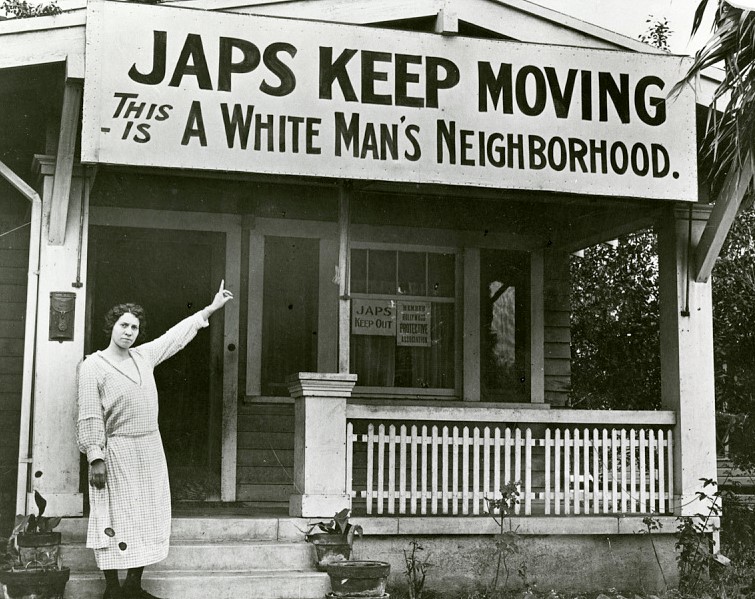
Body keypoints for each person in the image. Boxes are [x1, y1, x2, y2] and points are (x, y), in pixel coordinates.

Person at [76, 281, 233, 599]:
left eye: (134, 327)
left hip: (149, 447)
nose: (129, 332)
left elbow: (174, 337)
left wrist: (210, 309)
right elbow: (90, 414)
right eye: (123, 325)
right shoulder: (93, 366)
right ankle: (111, 588)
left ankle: (133, 584)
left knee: (147, 513)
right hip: (116, 449)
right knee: (114, 513)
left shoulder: (143, 357)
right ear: (112, 326)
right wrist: (96, 456)